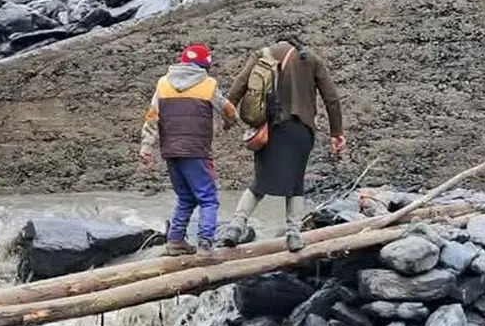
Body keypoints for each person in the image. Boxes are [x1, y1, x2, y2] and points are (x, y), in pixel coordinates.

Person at [223, 36, 345, 251]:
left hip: (270, 129)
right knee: (296, 184)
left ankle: (235, 226)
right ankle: (293, 234)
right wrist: (337, 132)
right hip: (301, 130)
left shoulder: (263, 54)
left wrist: (229, 116)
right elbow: (331, 98)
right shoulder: (311, 59)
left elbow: (239, 85)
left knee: (259, 182)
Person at [140, 43, 238, 255]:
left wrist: (146, 147)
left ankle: (175, 240)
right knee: (208, 198)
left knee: (185, 197)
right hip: (197, 151)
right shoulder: (208, 84)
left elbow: (152, 117)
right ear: (205, 65)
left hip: (171, 151)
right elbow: (228, 110)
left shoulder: (163, 84)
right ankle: (205, 243)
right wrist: (231, 122)